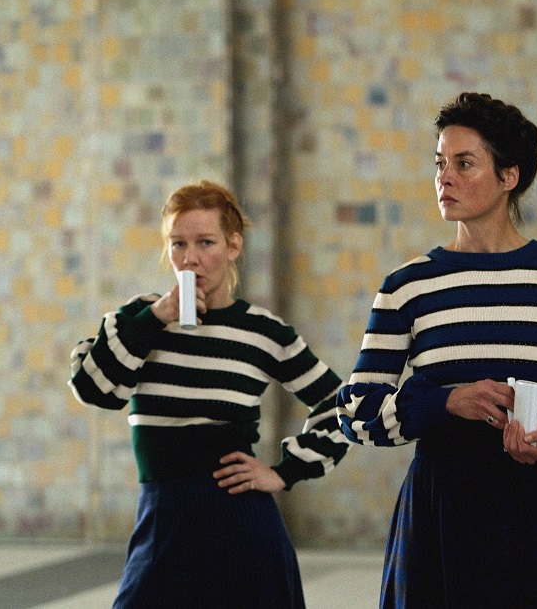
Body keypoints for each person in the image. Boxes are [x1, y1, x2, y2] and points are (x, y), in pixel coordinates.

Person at [337, 92, 537, 608]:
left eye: (464, 164)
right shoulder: (407, 286)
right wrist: (446, 401)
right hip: (436, 511)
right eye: (439, 163)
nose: (444, 178)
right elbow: (356, 413)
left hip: (526, 509)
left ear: (509, 175)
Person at [69, 180, 348, 608]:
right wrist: (157, 316)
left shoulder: (263, 331)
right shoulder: (138, 319)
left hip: (243, 525)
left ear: (233, 246)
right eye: (178, 244)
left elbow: (342, 404)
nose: (191, 258)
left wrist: (284, 472)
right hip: (163, 520)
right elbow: (94, 390)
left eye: (206, 242)